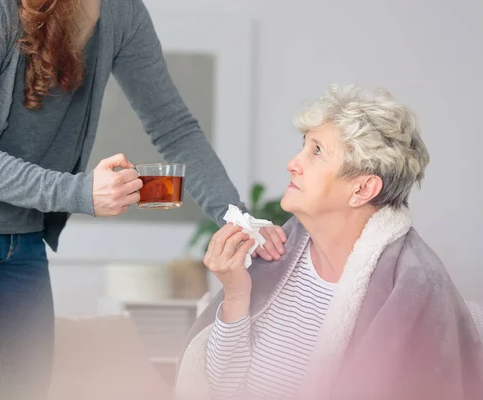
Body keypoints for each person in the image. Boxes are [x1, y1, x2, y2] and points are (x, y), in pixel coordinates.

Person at [0, 0, 287, 399]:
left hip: (20, 233)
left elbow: (175, 127)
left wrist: (240, 219)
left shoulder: (122, 12)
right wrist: (80, 193)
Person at [175, 84, 483, 400]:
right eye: (304, 146)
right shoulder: (275, 255)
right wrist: (236, 293)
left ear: (362, 189)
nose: (293, 163)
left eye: (317, 151)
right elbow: (220, 390)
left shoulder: (415, 285)